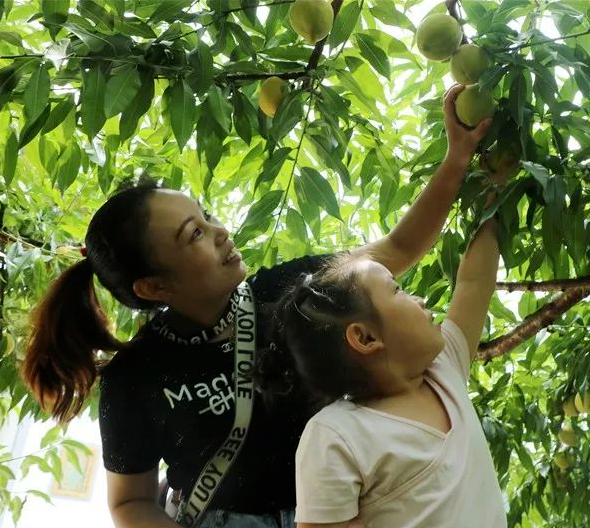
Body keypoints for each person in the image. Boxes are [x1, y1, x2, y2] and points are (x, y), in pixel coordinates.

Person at [20, 84, 491, 528]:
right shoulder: (134, 377)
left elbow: (400, 248)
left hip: (344, 509)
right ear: (152, 287)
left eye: (206, 216)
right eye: (195, 234)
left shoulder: (288, 292)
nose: (220, 230)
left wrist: (457, 158)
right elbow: (129, 502)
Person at [261, 160, 508, 528]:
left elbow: (474, 282)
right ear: (365, 337)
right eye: (399, 290)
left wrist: (495, 189)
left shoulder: (444, 370)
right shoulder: (337, 435)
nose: (420, 299)